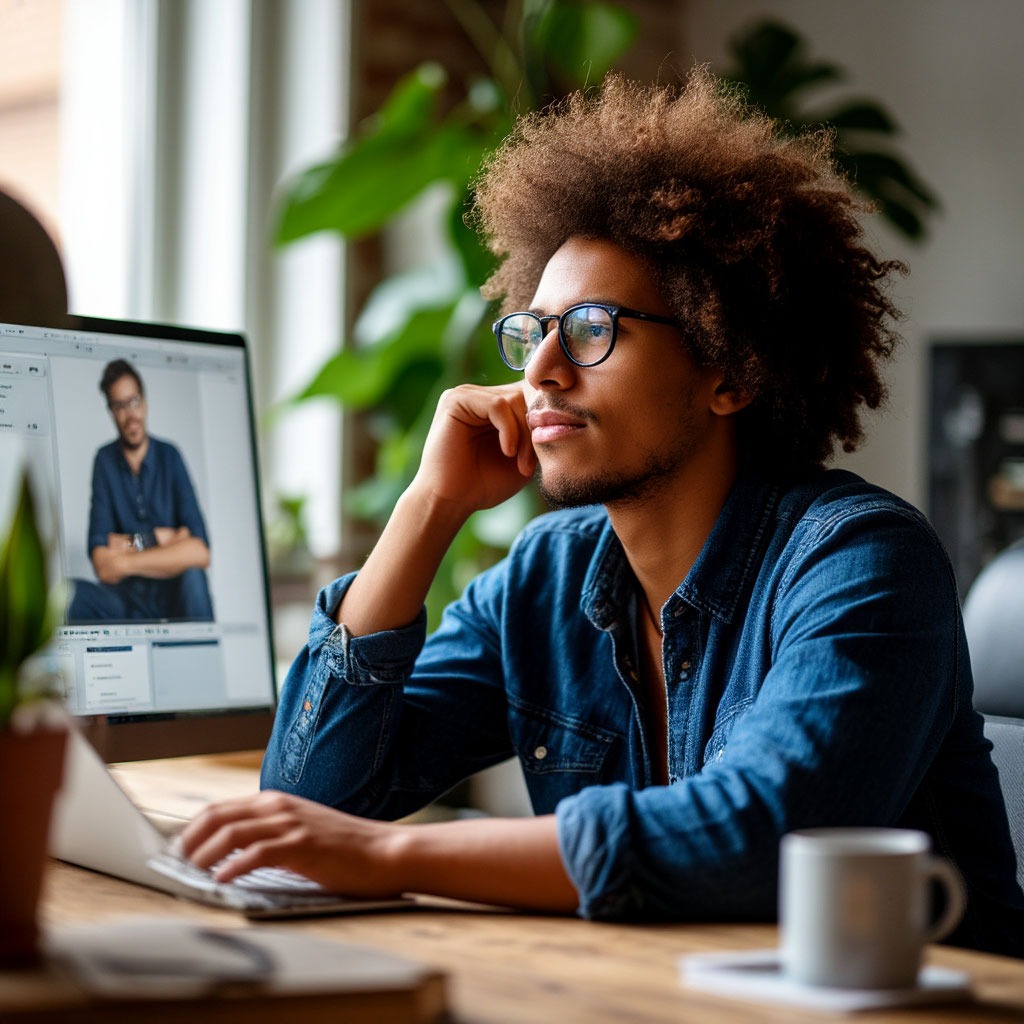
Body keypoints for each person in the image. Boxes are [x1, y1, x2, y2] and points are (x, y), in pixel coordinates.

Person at [180, 70, 1024, 955]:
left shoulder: (860, 561)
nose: (539, 368)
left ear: (728, 370)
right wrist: (428, 506)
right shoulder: (544, 579)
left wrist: (397, 854)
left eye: (589, 329)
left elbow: (762, 836)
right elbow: (308, 810)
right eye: (531, 331)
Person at [67, 359, 214, 622]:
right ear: (111, 411)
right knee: (69, 595)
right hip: (125, 600)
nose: (129, 413)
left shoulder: (170, 456)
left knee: (194, 577)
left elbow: (199, 551)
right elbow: (103, 565)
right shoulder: (104, 461)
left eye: (133, 401)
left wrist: (128, 552)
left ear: (144, 403)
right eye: (119, 405)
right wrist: (159, 538)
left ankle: (202, 660)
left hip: (174, 596)